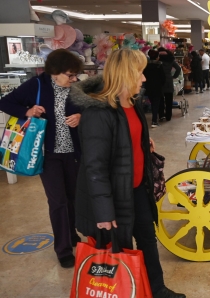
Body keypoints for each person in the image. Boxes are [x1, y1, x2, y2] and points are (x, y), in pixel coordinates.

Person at [70, 49, 186, 298]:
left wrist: (144, 142)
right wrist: (103, 211)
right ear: (125, 74)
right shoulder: (99, 112)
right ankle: (125, 292)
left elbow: (125, 137)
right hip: (112, 195)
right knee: (119, 249)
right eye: (139, 73)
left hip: (136, 188)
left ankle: (157, 290)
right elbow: (95, 166)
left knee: (147, 240)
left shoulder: (131, 103)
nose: (143, 79)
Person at [0, 49, 83, 268]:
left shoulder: (77, 87)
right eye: (70, 75)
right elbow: (5, 102)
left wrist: (80, 116)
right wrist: (27, 111)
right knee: (58, 202)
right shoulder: (36, 86)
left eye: (76, 75)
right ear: (55, 72)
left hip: (73, 153)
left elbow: (90, 107)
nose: (74, 79)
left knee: (74, 197)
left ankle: (72, 233)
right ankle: (63, 248)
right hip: (47, 155)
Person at [157, 48, 181, 122]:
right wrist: (174, 76)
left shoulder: (158, 61)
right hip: (168, 80)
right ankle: (168, 116)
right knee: (169, 100)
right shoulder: (171, 61)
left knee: (160, 99)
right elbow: (178, 68)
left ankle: (161, 115)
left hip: (160, 80)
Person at [143, 50, 166, 127]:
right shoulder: (159, 65)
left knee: (153, 103)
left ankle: (155, 119)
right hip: (157, 87)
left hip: (149, 87)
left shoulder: (146, 65)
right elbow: (163, 77)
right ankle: (154, 121)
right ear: (157, 57)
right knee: (156, 104)